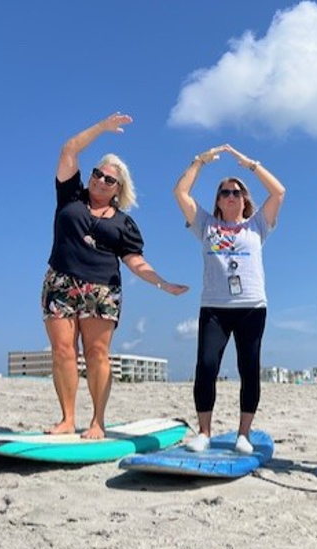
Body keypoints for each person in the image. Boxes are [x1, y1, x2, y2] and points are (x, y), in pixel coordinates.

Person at [43, 113, 188, 439]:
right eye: (97, 174)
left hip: (102, 288)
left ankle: (97, 421)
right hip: (61, 282)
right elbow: (68, 150)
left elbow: (135, 261)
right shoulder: (70, 196)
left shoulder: (124, 223)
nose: (100, 181)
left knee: (96, 354)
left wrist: (162, 283)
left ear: (118, 188)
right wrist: (102, 128)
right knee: (63, 351)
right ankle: (67, 419)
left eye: (109, 179)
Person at [174, 144, 285, 453]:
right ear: (218, 200)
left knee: (249, 369)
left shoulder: (257, 226)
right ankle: (204, 432)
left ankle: (243, 435)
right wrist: (199, 161)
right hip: (214, 309)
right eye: (225, 192)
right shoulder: (206, 225)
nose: (231, 196)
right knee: (207, 366)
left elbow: (279, 193)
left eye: (237, 192)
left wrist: (250, 164)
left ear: (245, 199)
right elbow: (180, 193)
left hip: (251, 307)